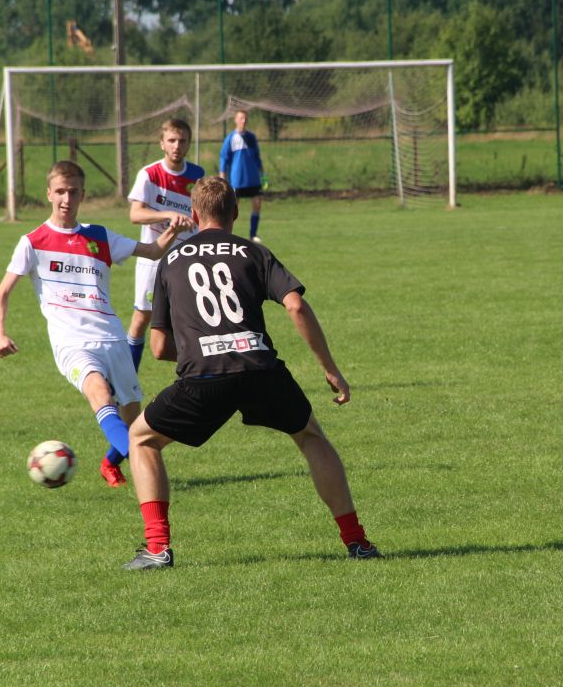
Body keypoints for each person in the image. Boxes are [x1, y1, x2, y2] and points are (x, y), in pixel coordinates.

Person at [122, 176, 380, 570]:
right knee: (310, 436)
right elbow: (296, 306)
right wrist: (330, 369)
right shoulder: (253, 252)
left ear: (194, 215)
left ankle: (157, 548)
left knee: (141, 439)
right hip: (260, 368)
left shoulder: (170, 261)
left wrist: (201, 353)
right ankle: (357, 541)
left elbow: (158, 347)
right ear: (236, 213)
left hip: (203, 377)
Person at [0, 160, 188, 488]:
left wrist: (174, 230)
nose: (66, 199)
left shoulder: (100, 236)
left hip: (113, 338)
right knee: (98, 393)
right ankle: (145, 466)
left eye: (73, 192)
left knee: (134, 421)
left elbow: (153, 251)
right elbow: (3, 292)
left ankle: (118, 462)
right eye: (60, 191)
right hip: (71, 342)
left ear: (82, 194)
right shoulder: (33, 241)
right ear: (48, 194)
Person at [126, 118, 205, 371]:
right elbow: (135, 214)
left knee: (190, 320)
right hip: (154, 261)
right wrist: (168, 214)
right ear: (162, 143)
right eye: (171, 140)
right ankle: (127, 380)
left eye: (182, 141)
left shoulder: (198, 176)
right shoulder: (149, 174)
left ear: (189, 143)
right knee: (142, 319)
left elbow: (204, 216)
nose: (176, 146)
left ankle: (195, 376)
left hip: (186, 262)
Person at [218, 108, 265, 243]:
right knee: (231, 209)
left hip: (253, 179)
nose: (243, 121)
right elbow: (224, 159)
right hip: (237, 180)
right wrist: (222, 177)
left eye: (245, 118)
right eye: (241, 118)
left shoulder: (251, 137)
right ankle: (226, 235)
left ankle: (253, 235)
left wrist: (263, 174)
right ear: (235, 120)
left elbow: (257, 157)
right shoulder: (230, 138)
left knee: (257, 204)